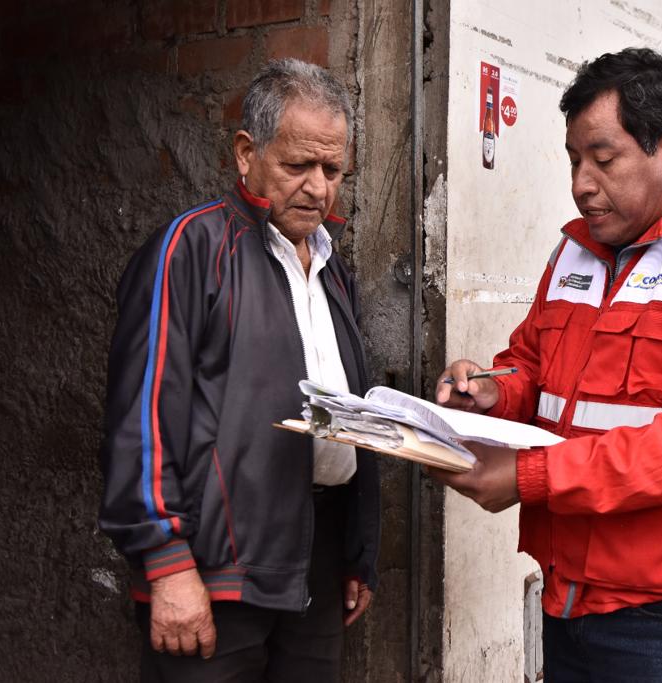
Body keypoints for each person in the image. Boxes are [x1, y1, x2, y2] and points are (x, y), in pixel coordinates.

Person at [432, 48, 662, 681]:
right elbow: (532, 366)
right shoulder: (577, 250)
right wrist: (492, 392)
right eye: (575, 161)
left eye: (603, 160)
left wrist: (531, 477)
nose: (582, 183)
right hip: (567, 593)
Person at [99, 58, 380, 682]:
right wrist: (166, 564)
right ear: (246, 154)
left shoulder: (333, 269)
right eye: (298, 165)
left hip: (316, 560)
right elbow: (141, 417)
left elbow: (348, 414)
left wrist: (357, 554)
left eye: (333, 170)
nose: (318, 188)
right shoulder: (191, 249)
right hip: (213, 570)